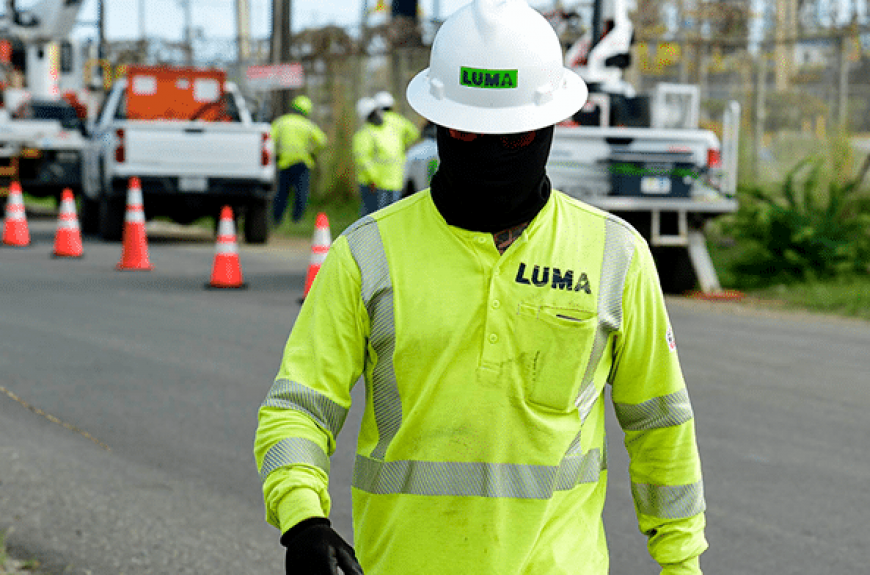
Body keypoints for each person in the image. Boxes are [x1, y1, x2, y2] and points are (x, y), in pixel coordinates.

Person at [253, 0, 707, 573]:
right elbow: (298, 408)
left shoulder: (615, 256)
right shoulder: (368, 254)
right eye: (470, 132)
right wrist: (302, 519)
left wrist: (682, 561)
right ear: (438, 124)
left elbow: (659, 422)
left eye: (512, 137)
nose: (491, 152)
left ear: (550, 127)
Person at [269, 95, 327, 226]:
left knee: (281, 193)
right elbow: (322, 141)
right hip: (302, 163)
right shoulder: (308, 125)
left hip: (284, 163)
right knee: (301, 193)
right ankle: (297, 220)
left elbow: (269, 138)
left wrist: (276, 153)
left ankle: (277, 220)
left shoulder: (281, 122)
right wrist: (313, 152)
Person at [351, 96, 404, 216]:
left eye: (378, 112)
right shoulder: (364, 134)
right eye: (374, 113)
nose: (378, 115)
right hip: (375, 185)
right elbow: (363, 160)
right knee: (372, 218)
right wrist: (373, 179)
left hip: (394, 182)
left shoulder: (389, 130)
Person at [374, 91, 421, 199]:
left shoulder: (376, 123)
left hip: (380, 173)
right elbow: (414, 133)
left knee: (381, 209)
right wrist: (404, 143)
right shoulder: (400, 120)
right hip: (398, 170)